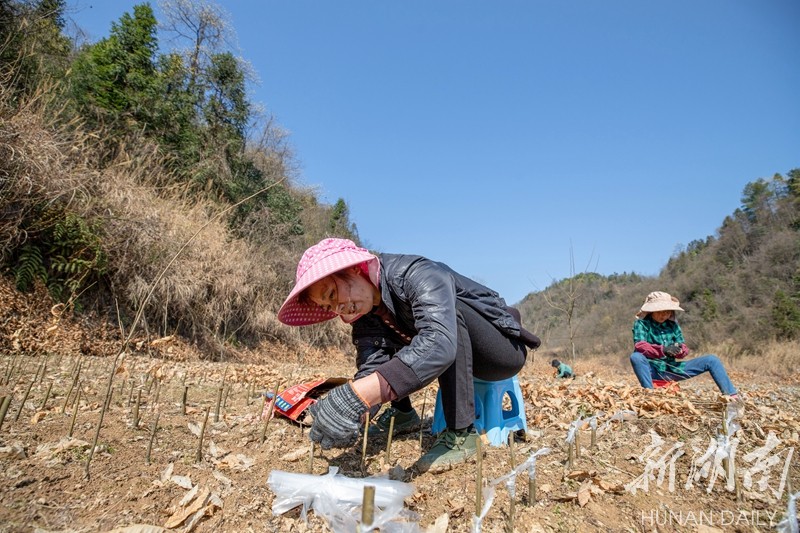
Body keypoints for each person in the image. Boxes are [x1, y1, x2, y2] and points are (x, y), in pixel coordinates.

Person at [278, 238, 541, 472]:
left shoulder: (416, 274)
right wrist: (356, 412)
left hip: (500, 352)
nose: (338, 308)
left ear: (354, 269)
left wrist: (359, 395)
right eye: (329, 306)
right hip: (460, 354)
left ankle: (462, 433)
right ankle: (403, 414)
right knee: (400, 338)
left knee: (442, 322)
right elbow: (372, 367)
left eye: (333, 294)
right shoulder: (364, 313)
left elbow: (440, 342)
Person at [629, 291, 738, 398]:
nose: (663, 315)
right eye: (659, 312)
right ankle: (650, 394)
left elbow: (683, 346)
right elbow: (640, 346)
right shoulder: (642, 324)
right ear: (651, 311)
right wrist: (663, 350)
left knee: (712, 360)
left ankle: (732, 396)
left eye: (667, 312)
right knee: (636, 357)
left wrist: (679, 350)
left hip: (672, 370)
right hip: (652, 370)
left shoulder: (673, 325)